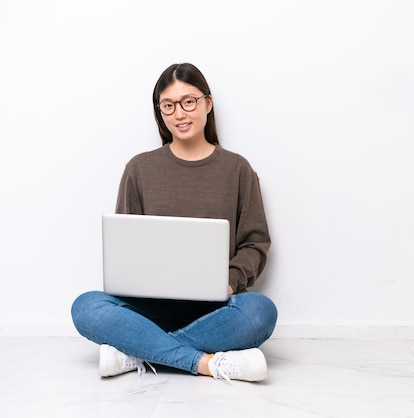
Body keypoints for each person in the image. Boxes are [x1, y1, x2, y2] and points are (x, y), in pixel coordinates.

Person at [71, 63, 277, 382]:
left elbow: (255, 244)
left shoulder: (237, 169)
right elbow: (124, 246)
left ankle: (135, 352)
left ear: (207, 103)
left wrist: (229, 280)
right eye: (168, 105)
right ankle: (205, 362)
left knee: (261, 312)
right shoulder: (139, 169)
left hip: (215, 309)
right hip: (148, 310)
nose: (179, 113)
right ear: (160, 113)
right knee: (86, 307)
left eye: (188, 101)